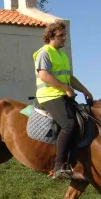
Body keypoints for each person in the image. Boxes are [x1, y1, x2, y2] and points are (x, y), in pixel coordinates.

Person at [33, 21, 93, 180]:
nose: (64, 38)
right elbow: (44, 75)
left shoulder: (62, 54)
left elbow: (69, 78)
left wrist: (84, 90)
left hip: (61, 95)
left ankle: (74, 162)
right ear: (51, 36)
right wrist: (65, 89)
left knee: (83, 120)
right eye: (61, 36)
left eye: (65, 35)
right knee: (68, 124)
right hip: (49, 96)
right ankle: (59, 167)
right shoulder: (44, 53)